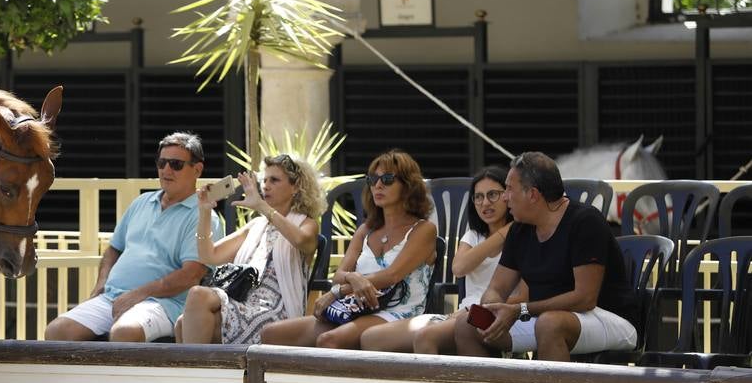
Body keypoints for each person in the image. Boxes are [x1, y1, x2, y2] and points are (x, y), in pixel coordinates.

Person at [454, 151, 639, 361]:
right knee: (467, 324)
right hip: (544, 317)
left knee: (550, 324)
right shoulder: (519, 228)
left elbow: (585, 299)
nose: (505, 196)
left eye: (509, 189)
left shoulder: (585, 222)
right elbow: (497, 288)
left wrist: (519, 309)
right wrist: (490, 309)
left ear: (532, 194)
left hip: (608, 317)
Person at [44, 132, 224, 343]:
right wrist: (100, 285)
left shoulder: (203, 215)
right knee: (57, 331)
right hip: (113, 297)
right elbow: (114, 249)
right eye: (162, 163)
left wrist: (138, 294)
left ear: (197, 169)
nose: (166, 170)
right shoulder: (142, 202)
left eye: (176, 164)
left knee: (125, 332)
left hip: (164, 303)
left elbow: (191, 275)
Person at [260, 149, 436, 350]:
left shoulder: (423, 229)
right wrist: (353, 278)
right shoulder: (366, 230)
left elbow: (392, 275)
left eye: (387, 179)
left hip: (398, 311)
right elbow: (339, 274)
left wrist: (339, 291)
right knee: (271, 334)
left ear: (408, 186)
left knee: (329, 340)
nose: (377, 185)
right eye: (373, 179)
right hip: (356, 307)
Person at [361, 166, 516, 354]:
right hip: (460, 314)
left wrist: (511, 232)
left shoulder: (522, 237)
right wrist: (502, 233)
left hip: (492, 316)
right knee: (371, 339)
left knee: (425, 337)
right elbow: (459, 268)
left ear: (507, 196)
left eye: (493, 195)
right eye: (478, 197)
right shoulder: (474, 236)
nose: (485, 203)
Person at [177, 153, 323, 345]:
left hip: (274, 310)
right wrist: (204, 211)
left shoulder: (306, 223)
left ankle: (194, 373)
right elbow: (208, 255)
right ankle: (200, 373)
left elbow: (301, 240)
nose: (266, 186)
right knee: (183, 322)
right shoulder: (257, 226)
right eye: (264, 180)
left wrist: (262, 207)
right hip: (242, 302)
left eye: (274, 180)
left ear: (295, 187)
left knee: (195, 302)